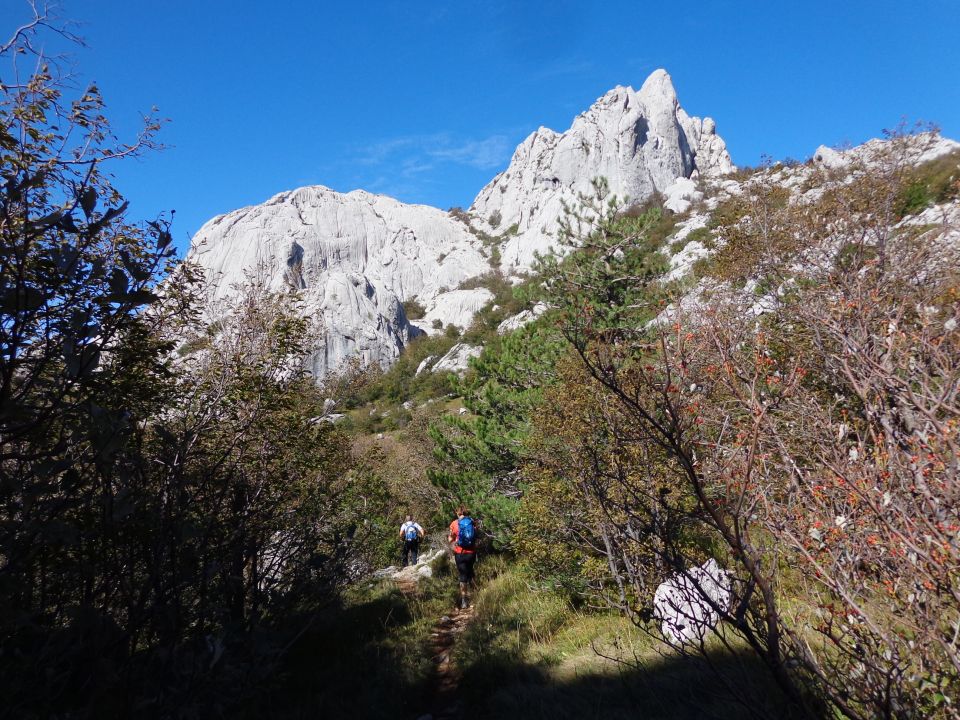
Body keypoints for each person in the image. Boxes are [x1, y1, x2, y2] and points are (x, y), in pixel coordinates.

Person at [448, 505, 477, 609]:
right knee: (470, 571)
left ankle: (464, 601)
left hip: (460, 553)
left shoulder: (454, 523)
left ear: (457, 513)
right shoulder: (472, 522)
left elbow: (450, 539)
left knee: (463, 575)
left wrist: (454, 539)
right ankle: (476, 595)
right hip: (471, 552)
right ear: (466, 512)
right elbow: (476, 535)